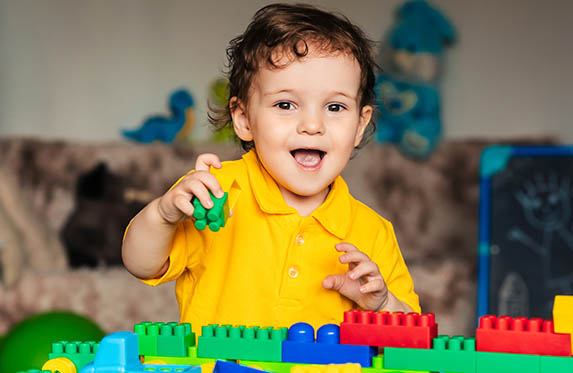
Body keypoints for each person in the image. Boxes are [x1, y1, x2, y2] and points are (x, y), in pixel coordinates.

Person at [122, 3, 420, 332]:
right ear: (244, 118)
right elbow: (141, 264)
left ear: (360, 124)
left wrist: (382, 303)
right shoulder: (215, 193)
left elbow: (411, 339)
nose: (311, 125)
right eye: (285, 104)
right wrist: (163, 214)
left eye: (334, 107)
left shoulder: (372, 232)